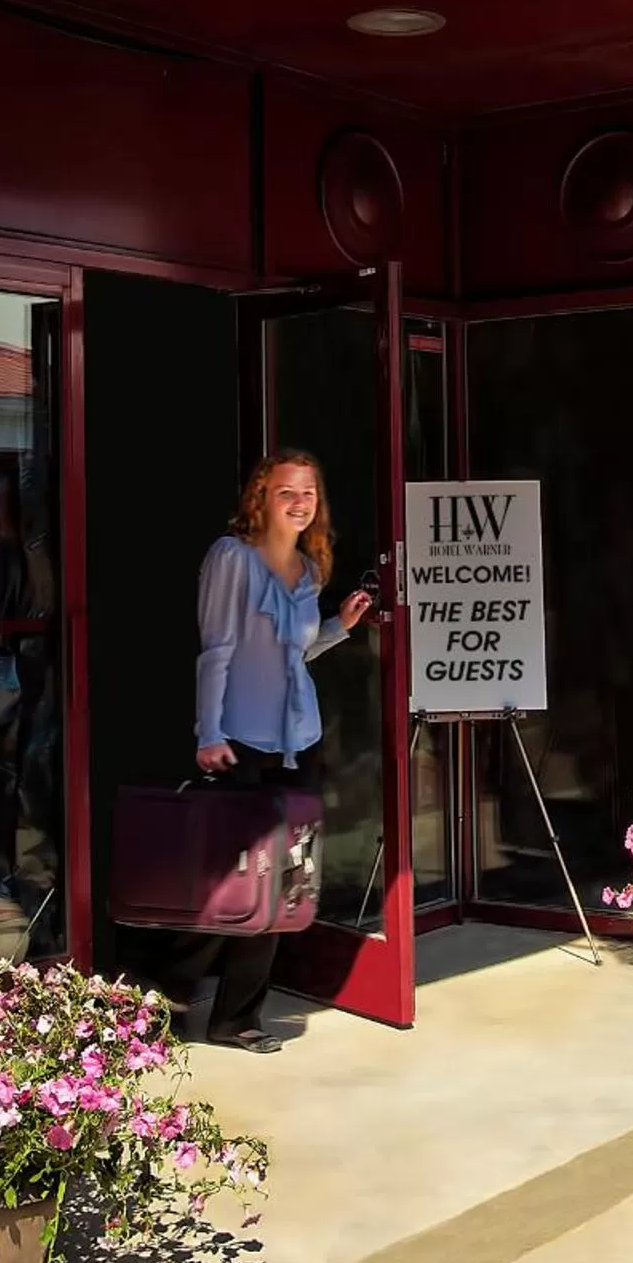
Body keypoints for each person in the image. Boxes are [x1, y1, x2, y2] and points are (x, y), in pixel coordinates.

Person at [182, 450, 372, 1053]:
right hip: (240, 744)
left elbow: (295, 657)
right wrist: (208, 735)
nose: (298, 502)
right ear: (261, 496)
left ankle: (237, 1017)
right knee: (227, 882)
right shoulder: (231, 558)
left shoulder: (309, 569)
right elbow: (215, 652)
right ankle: (160, 992)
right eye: (285, 490)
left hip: (299, 744)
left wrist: (339, 625)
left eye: (308, 492)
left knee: (284, 881)